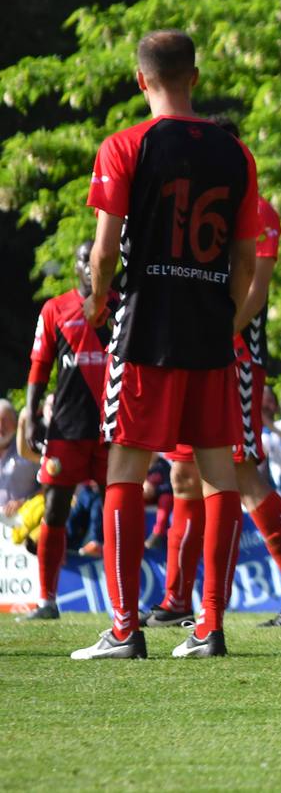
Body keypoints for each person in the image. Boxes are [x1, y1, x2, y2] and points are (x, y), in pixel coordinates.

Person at [71, 30, 259, 659]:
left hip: (145, 325)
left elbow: (103, 249)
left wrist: (97, 304)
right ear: (196, 77)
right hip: (210, 331)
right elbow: (244, 260)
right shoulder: (237, 154)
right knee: (218, 475)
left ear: (139, 79)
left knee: (125, 467)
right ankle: (210, 627)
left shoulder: (127, 145)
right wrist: (222, 319)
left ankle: (125, 629)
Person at [144, 115, 281, 632]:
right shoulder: (205, 203)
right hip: (195, 354)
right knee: (184, 475)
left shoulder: (257, 209)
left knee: (241, 472)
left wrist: (218, 333)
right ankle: (177, 599)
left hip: (234, 358)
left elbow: (256, 288)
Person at [15, 241, 112, 621]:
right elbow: (39, 366)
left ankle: (126, 603)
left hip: (112, 428)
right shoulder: (55, 308)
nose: (89, 266)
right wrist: (33, 413)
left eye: (95, 259)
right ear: (75, 266)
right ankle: (47, 600)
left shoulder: (122, 305)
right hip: (67, 428)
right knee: (54, 509)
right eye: (82, 260)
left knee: (118, 508)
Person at [1, 400, 39, 516]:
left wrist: (24, 502)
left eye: (5, 420)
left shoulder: (29, 451)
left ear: (15, 423)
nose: (1, 426)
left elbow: (48, 485)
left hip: (19, 523)